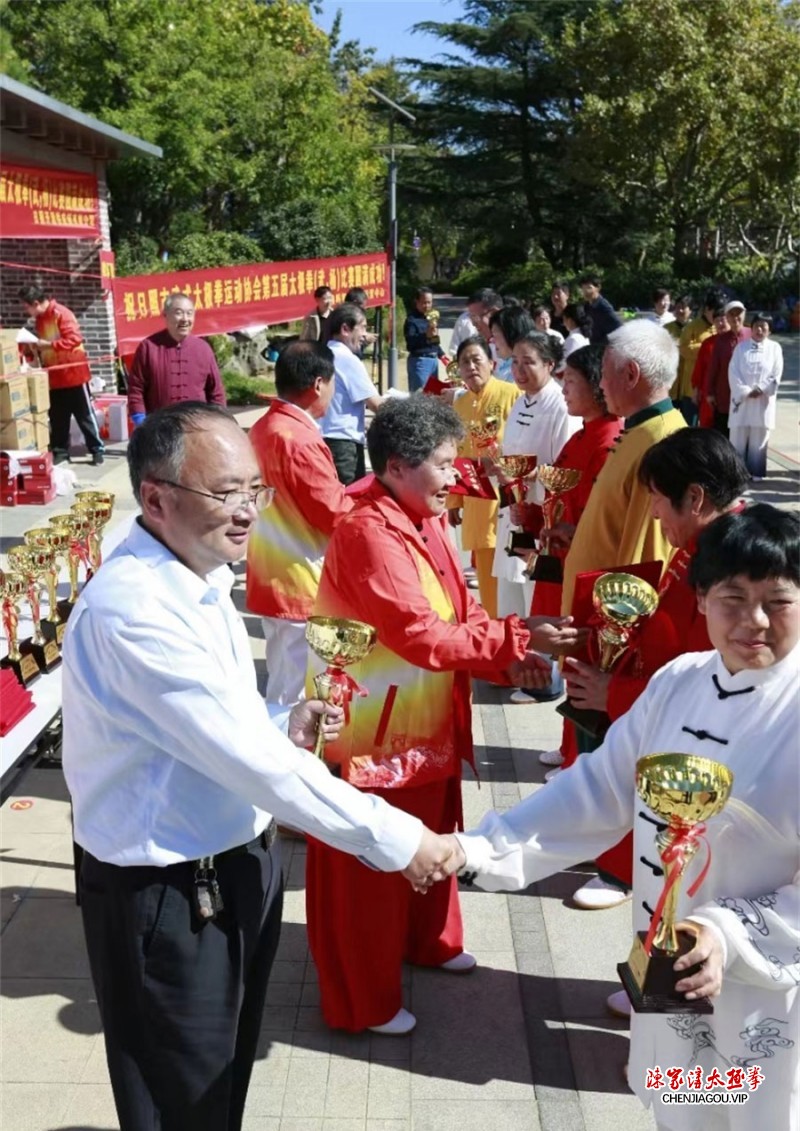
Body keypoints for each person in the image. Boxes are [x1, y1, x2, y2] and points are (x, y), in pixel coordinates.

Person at [61, 401, 456, 1130]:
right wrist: (399, 841)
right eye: (226, 493)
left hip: (228, 864)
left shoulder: (197, 571)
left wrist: (283, 721)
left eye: (255, 489)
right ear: (156, 498)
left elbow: (222, 731)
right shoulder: (136, 609)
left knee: (224, 1080)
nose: (247, 512)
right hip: (169, 893)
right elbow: (248, 762)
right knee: (185, 1099)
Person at [445, 504, 800, 1131]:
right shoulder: (680, 680)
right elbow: (599, 790)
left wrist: (723, 932)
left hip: (758, 978)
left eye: (779, 601)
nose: (756, 622)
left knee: (753, 1114)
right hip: (663, 958)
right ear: (700, 599)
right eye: (733, 598)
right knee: (681, 1104)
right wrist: (480, 850)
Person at [305, 396, 554, 1035]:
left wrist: (508, 654)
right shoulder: (368, 531)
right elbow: (418, 632)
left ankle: (429, 942)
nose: (453, 478)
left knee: (432, 836)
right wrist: (518, 640)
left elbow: (461, 610)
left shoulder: (423, 516)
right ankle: (364, 1000)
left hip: (424, 713)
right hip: (374, 728)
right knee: (372, 867)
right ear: (395, 465)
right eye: (442, 466)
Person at [564, 430, 749, 1014]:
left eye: (658, 500)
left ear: (694, 498)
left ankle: (679, 1042)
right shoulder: (710, 548)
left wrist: (613, 691)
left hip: (709, 765)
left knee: (696, 888)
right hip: (682, 755)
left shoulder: (730, 568)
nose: (651, 512)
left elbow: (715, 683)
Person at [246, 341, 353, 705]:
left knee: (283, 682)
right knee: (299, 696)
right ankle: (293, 760)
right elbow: (333, 513)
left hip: (270, 572)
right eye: (334, 382)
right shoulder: (300, 438)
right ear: (319, 384)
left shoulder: (263, 428)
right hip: (300, 579)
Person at [448, 336, 521, 617]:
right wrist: (455, 502)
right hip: (476, 500)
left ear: (492, 364)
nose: (471, 366)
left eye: (476, 360)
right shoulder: (461, 404)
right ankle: (494, 630)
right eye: (464, 362)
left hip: (505, 499)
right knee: (486, 572)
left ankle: (512, 631)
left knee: (509, 574)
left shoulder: (510, 394)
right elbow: (456, 453)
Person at [19, 284, 104, 465]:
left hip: (73, 373)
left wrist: (47, 345)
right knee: (58, 417)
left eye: (27, 307)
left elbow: (74, 339)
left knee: (84, 416)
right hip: (54, 375)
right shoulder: (41, 319)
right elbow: (47, 343)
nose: (27, 312)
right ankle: (60, 451)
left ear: (35, 303)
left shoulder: (61, 313)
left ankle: (97, 449)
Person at [127, 293, 225, 423]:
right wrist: (140, 420)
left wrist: (219, 421)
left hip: (196, 426)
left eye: (189, 313)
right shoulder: (149, 347)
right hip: (159, 426)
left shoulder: (203, 348)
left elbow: (216, 392)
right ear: (165, 315)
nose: (185, 319)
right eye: (179, 313)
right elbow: (136, 389)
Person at [320, 303, 385, 484]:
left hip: (321, 441)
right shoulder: (347, 359)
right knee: (349, 504)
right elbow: (376, 404)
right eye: (363, 327)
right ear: (345, 329)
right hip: (343, 448)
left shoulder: (323, 354)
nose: (365, 335)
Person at [728, 313, 783, 480]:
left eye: (764, 327)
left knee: (758, 440)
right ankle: (737, 475)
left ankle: (756, 473)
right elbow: (733, 372)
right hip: (742, 401)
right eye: (756, 326)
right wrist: (745, 391)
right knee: (738, 438)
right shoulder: (740, 348)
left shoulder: (775, 348)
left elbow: (776, 373)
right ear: (751, 328)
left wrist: (761, 389)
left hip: (763, 400)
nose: (759, 330)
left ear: (769, 331)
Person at [705, 299, 751, 437]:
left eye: (739, 313)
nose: (735, 317)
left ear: (744, 315)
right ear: (727, 317)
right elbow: (713, 368)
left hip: (749, 395)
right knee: (724, 434)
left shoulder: (752, 334)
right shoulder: (721, 339)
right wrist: (709, 392)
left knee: (745, 436)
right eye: (731, 314)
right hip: (725, 395)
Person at [403, 286, 446, 392]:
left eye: (429, 302)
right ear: (416, 302)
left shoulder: (430, 317)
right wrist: (425, 335)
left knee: (433, 395)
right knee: (419, 396)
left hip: (433, 360)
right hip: (420, 361)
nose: (427, 306)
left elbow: (434, 340)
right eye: (424, 303)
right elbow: (410, 344)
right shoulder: (411, 320)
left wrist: (441, 354)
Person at [487, 303, 536, 382]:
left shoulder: (525, 373)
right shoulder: (506, 364)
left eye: (495, 335)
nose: (492, 340)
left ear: (512, 334)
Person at [450, 288, 504, 354]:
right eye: (471, 317)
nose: (473, 323)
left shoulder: (512, 348)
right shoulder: (486, 346)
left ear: (493, 313)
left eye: (475, 317)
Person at [578, 273, 623, 341]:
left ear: (598, 288)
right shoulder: (586, 306)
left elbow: (619, 328)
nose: (586, 292)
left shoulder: (604, 307)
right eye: (583, 288)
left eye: (589, 288)